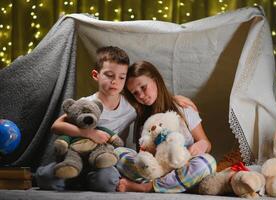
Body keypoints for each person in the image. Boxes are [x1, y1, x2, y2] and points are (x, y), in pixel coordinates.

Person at [35, 46, 137, 191]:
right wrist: (89, 134)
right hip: (76, 157)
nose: (115, 81)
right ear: (96, 75)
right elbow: (56, 126)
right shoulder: (86, 103)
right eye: (109, 75)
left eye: (121, 77)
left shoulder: (130, 108)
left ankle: (80, 181)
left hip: (102, 161)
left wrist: (175, 98)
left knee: (107, 181)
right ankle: (70, 176)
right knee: (46, 178)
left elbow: (153, 101)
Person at [115, 60, 216, 193]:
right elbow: (144, 157)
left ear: (156, 80)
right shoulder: (142, 118)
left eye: (143, 87)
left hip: (184, 164)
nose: (141, 96)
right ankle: (174, 184)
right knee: (117, 154)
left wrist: (201, 145)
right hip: (158, 169)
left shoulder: (183, 108)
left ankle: (149, 187)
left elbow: (206, 143)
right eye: (135, 93)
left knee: (206, 164)